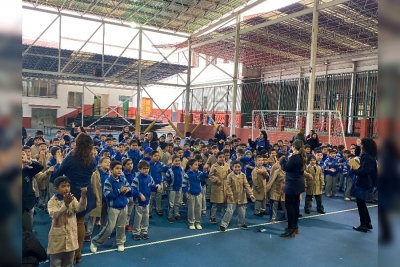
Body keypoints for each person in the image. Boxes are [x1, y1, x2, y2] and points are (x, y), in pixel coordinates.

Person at [52, 133, 97, 263]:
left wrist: (59, 162)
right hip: (86, 193)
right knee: (80, 223)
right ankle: (78, 254)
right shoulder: (92, 159)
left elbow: (59, 174)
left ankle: (68, 253)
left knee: (68, 224)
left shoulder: (71, 157)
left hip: (71, 194)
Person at [90, 161, 132, 253]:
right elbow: (108, 195)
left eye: (120, 169)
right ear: (111, 170)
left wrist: (128, 190)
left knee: (121, 226)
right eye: (117, 168)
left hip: (123, 206)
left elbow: (129, 188)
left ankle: (120, 242)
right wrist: (120, 191)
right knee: (109, 228)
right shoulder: (108, 181)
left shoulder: (123, 179)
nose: (119, 170)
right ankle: (95, 242)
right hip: (113, 207)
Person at [47, 176, 87, 267]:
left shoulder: (72, 199)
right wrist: (65, 204)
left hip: (70, 235)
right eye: (63, 186)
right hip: (57, 237)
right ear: (56, 189)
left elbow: (80, 208)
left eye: (68, 186)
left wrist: (83, 197)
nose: (66, 188)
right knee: (55, 263)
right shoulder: (52, 202)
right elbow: (55, 215)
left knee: (69, 263)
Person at [279, 140, 306, 238]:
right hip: (298, 184)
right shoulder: (301, 156)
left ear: (294, 147)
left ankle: (290, 228)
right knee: (295, 206)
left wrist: (282, 160)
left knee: (289, 206)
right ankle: (295, 226)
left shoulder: (295, 157)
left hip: (292, 184)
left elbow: (286, 168)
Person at [350, 137, 378, 233]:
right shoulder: (371, 155)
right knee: (362, 203)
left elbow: (365, 170)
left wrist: (354, 171)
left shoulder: (366, 156)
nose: (360, 145)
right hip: (369, 182)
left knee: (360, 203)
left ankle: (363, 225)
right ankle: (368, 222)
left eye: (361, 144)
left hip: (364, 182)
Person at [219, 161, 255, 232]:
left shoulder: (243, 175)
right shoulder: (230, 176)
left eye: (239, 167)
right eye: (235, 167)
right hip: (232, 197)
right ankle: (223, 224)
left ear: (241, 167)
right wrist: (230, 195)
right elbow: (228, 186)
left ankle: (241, 223)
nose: (237, 168)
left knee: (242, 211)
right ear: (232, 167)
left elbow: (246, 185)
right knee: (229, 211)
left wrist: (251, 194)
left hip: (241, 197)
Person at [131, 161, 161, 240]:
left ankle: (144, 231)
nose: (146, 170)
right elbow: (133, 190)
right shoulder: (136, 179)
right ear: (139, 169)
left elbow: (152, 187)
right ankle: (136, 232)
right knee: (138, 218)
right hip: (139, 202)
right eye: (144, 169)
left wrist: (156, 187)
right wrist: (140, 194)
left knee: (145, 218)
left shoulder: (150, 178)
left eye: (147, 168)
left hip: (147, 201)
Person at [84, 157, 110, 242]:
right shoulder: (95, 174)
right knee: (93, 217)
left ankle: (103, 232)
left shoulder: (109, 174)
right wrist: (93, 196)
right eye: (105, 162)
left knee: (104, 217)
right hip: (97, 198)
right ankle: (88, 233)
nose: (108, 163)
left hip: (106, 199)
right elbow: (91, 186)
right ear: (100, 164)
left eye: (109, 162)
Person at [22, 151, 43, 232]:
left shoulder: (27, 170)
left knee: (27, 228)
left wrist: (29, 162)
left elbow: (40, 167)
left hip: (27, 203)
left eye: (23, 154)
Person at [209, 152, 230, 224]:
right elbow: (210, 175)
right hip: (217, 186)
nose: (222, 158)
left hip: (225, 186)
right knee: (215, 203)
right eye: (220, 157)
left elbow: (229, 174)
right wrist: (216, 179)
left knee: (224, 203)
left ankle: (224, 217)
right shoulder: (214, 166)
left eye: (223, 157)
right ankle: (213, 217)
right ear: (217, 158)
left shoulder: (227, 165)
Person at [266, 153, 287, 222]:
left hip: (284, 190)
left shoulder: (287, 171)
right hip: (275, 189)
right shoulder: (277, 171)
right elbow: (271, 180)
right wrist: (267, 189)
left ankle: (287, 216)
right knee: (274, 204)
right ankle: (273, 217)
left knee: (285, 204)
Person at [164, 155, 184, 223]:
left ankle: (176, 214)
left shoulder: (182, 169)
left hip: (179, 188)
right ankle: (169, 216)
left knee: (177, 203)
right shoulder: (169, 170)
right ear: (172, 162)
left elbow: (183, 178)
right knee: (171, 203)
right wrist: (166, 183)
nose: (178, 162)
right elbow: (166, 179)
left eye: (179, 161)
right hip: (172, 189)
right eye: (176, 161)